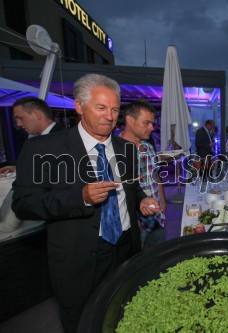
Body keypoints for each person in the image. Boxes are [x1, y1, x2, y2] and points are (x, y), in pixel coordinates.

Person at [11, 73, 160, 333]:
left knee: (124, 314)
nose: (109, 116)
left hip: (126, 248)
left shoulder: (126, 149)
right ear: (79, 106)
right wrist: (80, 197)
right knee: (84, 322)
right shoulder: (44, 149)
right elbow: (23, 203)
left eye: (114, 109)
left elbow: (131, 189)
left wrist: (141, 201)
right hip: (78, 258)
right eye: (101, 107)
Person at [120, 99, 167, 248]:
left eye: (152, 123)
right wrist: (132, 217)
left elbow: (155, 175)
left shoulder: (148, 147)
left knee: (156, 257)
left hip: (157, 216)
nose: (152, 128)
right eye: (146, 123)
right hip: (136, 222)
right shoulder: (116, 150)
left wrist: (163, 202)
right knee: (137, 262)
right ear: (130, 120)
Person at [0, 97, 63, 173]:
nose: (18, 124)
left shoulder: (61, 139)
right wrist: (20, 168)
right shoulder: (48, 137)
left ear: (37, 114)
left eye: (20, 118)